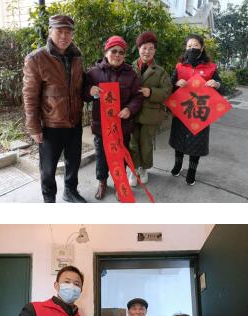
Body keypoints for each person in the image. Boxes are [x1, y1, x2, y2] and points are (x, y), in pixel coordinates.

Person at [22, 15, 88, 203]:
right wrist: (34, 127)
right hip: (51, 124)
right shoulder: (36, 59)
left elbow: (80, 85)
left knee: (74, 161)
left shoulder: (76, 57)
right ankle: (49, 198)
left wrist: (91, 90)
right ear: (51, 31)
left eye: (68, 32)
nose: (64, 36)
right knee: (48, 167)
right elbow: (30, 95)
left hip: (74, 121)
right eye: (59, 31)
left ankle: (70, 191)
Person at [84, 35, 144, 200]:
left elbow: (138, 96)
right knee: (101, 157)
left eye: (121, 52)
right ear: (106, 52)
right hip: (101, 127)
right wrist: (90, 91)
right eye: (114, 51)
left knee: (121, 156)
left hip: (122, 125)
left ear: (124, 55)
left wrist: (129, 109)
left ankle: (120, 182)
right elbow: (83, 94)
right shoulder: (93, 73)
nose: (117, 55)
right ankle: (102, 182)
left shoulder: (131, 74)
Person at [168, 34, 222, 186]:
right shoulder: (180, 66)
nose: (192, 48)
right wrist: (176, 83)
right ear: (186, 48)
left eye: (196, 45)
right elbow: (170, 85)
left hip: (200, 113)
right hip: (182, 110)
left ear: (202, 48)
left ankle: (192, 171)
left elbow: (220, 86)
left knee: (196, 143)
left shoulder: (211, 67)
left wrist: (216, 84)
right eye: (189, 46)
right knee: (179, 140)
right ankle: (178, 164)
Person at [129, 32, 172, 186]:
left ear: (155, 50)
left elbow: (167, 91)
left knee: (146, 144)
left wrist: (151, 92)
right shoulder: (129, 68)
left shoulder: (160, 71)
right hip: (131, 113)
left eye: (151, 48)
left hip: (150, 114)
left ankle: (144, 169)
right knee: (133, 143)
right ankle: (134, 169)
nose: (147, 51)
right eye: (144, 48)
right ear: (138, 48)